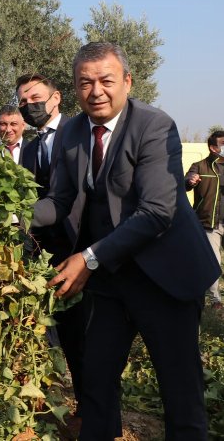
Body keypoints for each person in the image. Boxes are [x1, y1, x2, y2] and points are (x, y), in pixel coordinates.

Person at [32, 42, 220, 439]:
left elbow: (156, 211)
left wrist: (89, 258)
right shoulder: (70, 131)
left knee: (179, 391)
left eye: (106, 80)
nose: (96, 91)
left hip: (164, 275)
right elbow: (59, 200)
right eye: (85, 82)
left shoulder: (154, 125)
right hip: (109, 280)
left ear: (127, 82)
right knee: (96, 384)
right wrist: (13, 215)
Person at [16, 73, 84, 425]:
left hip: (82, 246)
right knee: (58, 326)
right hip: (45, 250)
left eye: (36, 97)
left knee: (85, 331)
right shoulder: (28, 148)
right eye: (24, 102)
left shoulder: (79, 133)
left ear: (56, 98)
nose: (31, 105)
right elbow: (32, 198)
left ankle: (95, 411)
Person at [185, 129, 224, 310]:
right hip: (209, 223)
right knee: (213, 262)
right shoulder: (199, 166)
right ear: (213, 148)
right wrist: (190, 180)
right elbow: (185, 183)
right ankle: (215, 299)